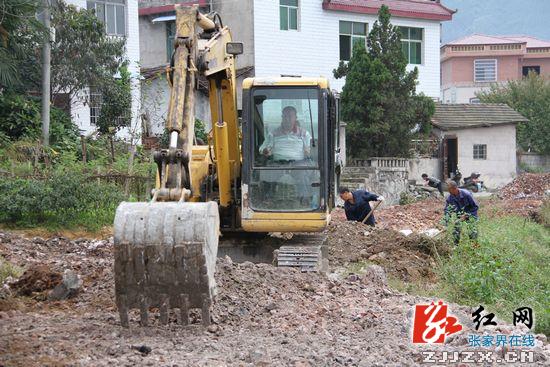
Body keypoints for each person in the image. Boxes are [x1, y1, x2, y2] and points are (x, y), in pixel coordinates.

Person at [444, 180, 479, 245]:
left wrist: (466, 215)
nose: (448, 191)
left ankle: (473, 246)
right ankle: (455, 245)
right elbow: (447, 211)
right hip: (459, 216)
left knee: (472, 231)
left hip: (471, 215)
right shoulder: (450, 198)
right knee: (456, 229)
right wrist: (445, 223)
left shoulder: (467, 194)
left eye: (449, 189)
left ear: (454, 188)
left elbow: (475, 207)